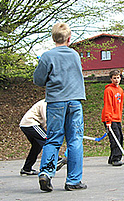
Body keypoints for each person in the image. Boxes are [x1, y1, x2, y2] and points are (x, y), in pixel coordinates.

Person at [33, 23, 87, 192]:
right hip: (75, 101)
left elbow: (38, 80)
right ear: (69, 39)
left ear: (53, 38)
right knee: (75, 140)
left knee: (54, 139)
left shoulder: (47, 56)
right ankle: (73, 180)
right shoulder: (75, 55)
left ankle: (46, 173)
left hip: (56, 102)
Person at [19, 99, 67, 176]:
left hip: (27, 125)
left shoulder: (50, 103)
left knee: (37, 146)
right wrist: (51, 130)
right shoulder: (45, 103)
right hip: (31, 123)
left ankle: (26, 169)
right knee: (47, 140)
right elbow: (46, 118)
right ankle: (56, 159)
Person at [101, 69, 124, 166]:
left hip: (117, 118)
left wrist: (119, 117)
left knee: (120, 137)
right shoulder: (108, 90)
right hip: (109, 118)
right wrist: (108, 120)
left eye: (118, 78)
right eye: (114, 78)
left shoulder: (120, 90)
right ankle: (116, 159)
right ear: (111, 79)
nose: (116, 80)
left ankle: (112, 158)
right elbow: (108, 105)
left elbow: (120, 105)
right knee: (115, 138)